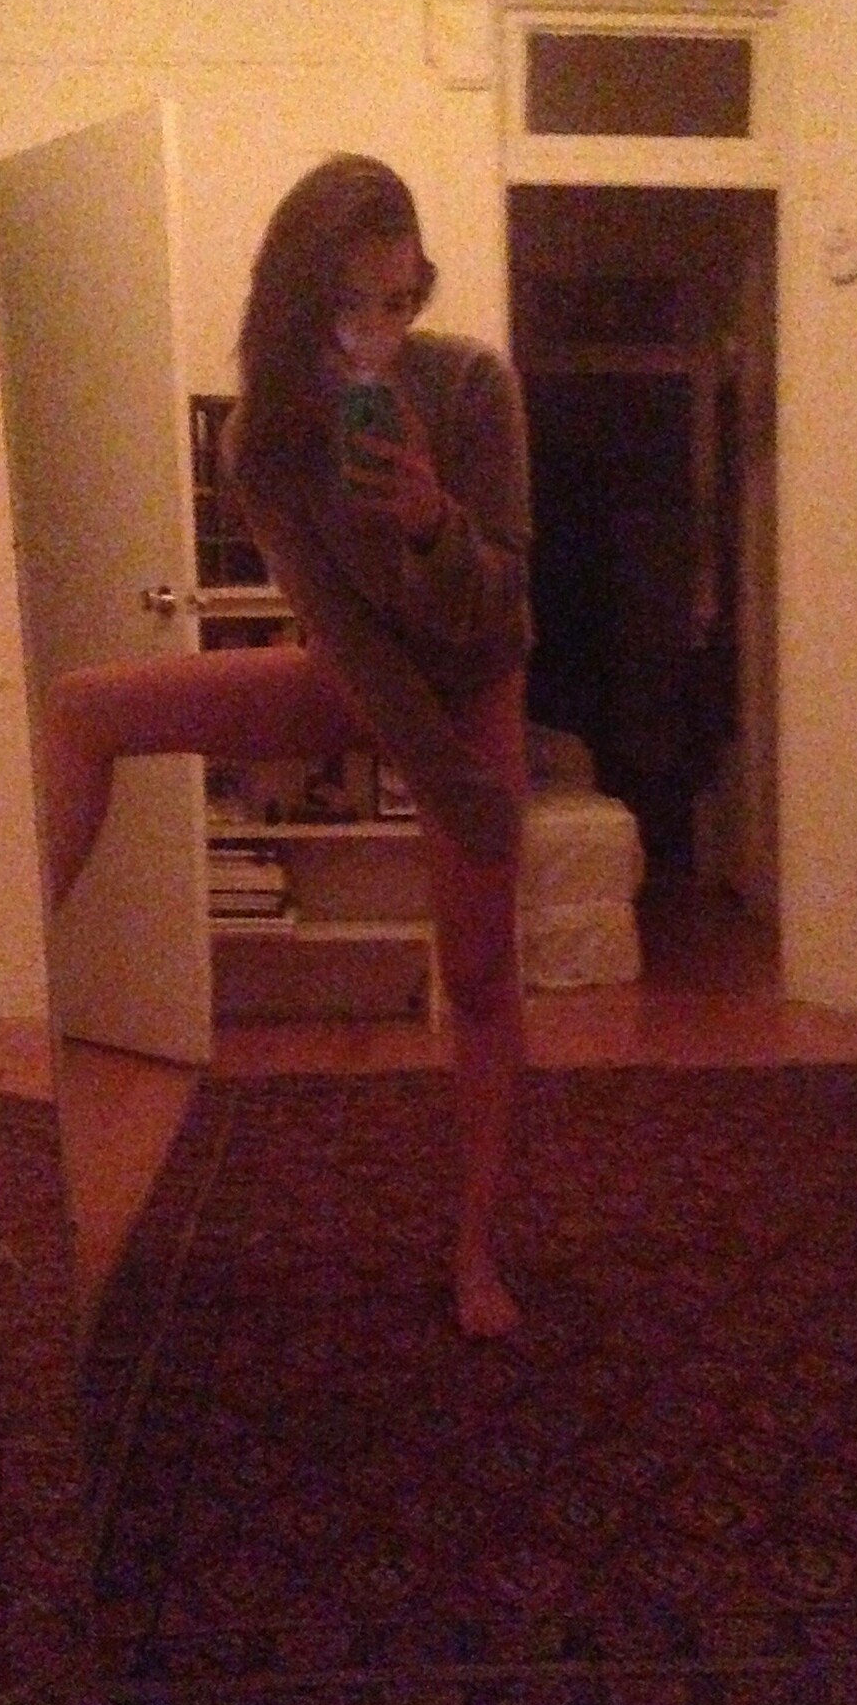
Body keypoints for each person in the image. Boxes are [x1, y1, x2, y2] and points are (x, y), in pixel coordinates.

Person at [42, 154, 532, 1339]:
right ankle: (1, 989)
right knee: (81, 708)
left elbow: (498, 609)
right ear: (296, 297)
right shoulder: (260, 442)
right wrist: (458, 792)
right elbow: (343, 638)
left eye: (399, 301)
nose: (374, 333)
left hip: (471, 678)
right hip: (361, 675)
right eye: (349, 303)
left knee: (477, 977)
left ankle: (475, 1248)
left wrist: (431, 520)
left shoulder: (473, 386)